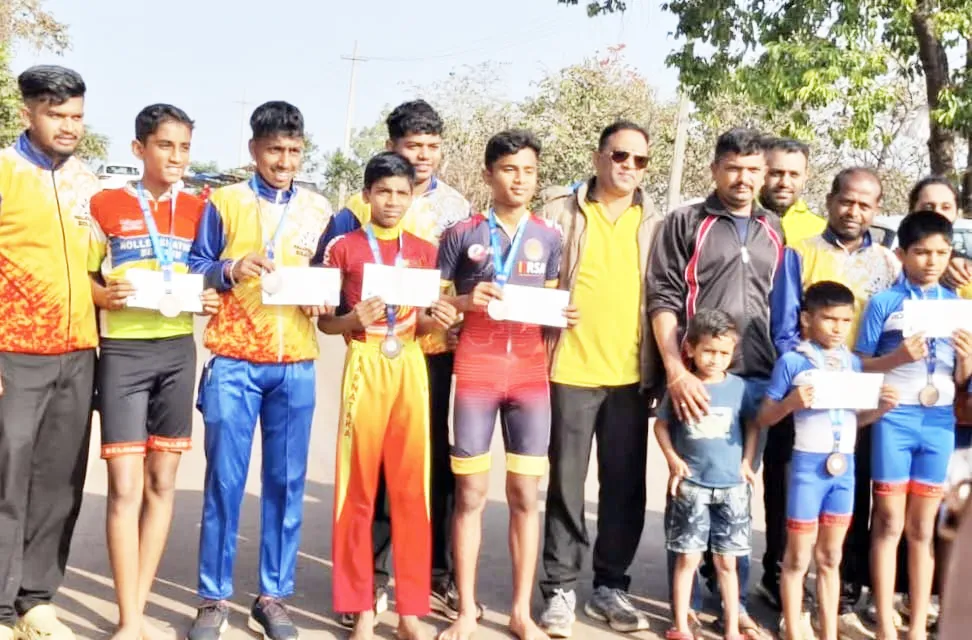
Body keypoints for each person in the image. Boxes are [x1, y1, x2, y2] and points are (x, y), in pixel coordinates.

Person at [313, 100, 471, 625]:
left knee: (412, 488)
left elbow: (426, 323)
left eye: (402, 193)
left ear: (413, 197)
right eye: (383, 191)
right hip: (364, 363)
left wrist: (442, 318)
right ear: (366, 195)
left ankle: (410, 612)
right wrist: (353, 315)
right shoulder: (345, 247)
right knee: (359, 487)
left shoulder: (426, 251)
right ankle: (359, 609)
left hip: (409, 367)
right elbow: (326, 323)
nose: (393, 201)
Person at [187, 101, 332, 640]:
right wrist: (230, 268)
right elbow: (194, 266)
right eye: (275, 150)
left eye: (294, 151)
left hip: (295, 362)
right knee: (224, 480)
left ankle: (273, 595)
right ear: (254, 150)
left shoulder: (321, 210)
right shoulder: (222, 202)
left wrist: (324, 300)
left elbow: (332, 274)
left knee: (286, 481)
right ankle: (212, 597)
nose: (285, 160)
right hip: (233, 358)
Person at [436, 130, 576, 640]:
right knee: (470, 494)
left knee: (525, 495)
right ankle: (466, 612)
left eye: (529, 171)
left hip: (530, 379)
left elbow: (553, 306)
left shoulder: (549, 236)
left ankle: (520, 612)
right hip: (475, 370)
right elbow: (432, 309)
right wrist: (460, 304)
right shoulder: (461, 233)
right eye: (510, 170)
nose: (520, 180)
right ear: (488, 174)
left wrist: (565, 316)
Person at [87, 104, 219, 640]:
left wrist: (209, 295)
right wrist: (102, 293)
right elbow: (84, 278)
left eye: (185, 147)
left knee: (163, 481)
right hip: (123, 353)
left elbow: (210, 269)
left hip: (176, 352)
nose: (176, 157)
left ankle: (137, 608)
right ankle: (128, 619)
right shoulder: (105, 203)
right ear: (139, 149)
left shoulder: (200, 208)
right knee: (124, 486)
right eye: (166, 146)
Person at [648, 127, 783, 640]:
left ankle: (735, 604)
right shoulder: (687, 222)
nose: (744, 178)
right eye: (734, 168)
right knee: (688, 486)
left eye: (753, 169)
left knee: (735, 490)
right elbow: (661, 298)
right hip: (696, 378)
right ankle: (683, 610)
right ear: (715, 169)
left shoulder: (773, 227)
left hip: (752, 379)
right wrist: (676, 370)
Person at [536, 120, 662, 638]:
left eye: (639, 160)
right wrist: (548, 311)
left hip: (631, 376)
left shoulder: (658, 222)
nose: (628, 167)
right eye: (619, 156)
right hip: (568, 369)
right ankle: (560, 588)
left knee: (625, 487)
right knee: (566, 485)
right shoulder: (557, 213)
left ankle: (611, 585)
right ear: (597, 156)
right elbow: (527, 281)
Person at [769, 167, 900, 636]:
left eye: (866, 204)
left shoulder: (888, 263)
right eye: (847, 201)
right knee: (793, 500)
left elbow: (892, 330)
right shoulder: (800, 252)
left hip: (858, 395)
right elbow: (784, 326)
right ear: (830, 200)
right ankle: (789, 601)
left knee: (848, 498)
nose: (855, 211)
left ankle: (838, 599)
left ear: (877, 209)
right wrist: (807, 377)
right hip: (808, 394)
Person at [0, 65, 101, 640]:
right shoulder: (5, 171)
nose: (68, 126)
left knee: (60, 482)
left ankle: (35, 601)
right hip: (14, 350)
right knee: (6, 481)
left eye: (76, 116)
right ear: (27, 114)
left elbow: (97, 266)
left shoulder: (90, 183)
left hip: (77, 350)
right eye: (56, 114)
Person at [758, 281, 897, 640]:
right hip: (807, 468)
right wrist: (790, 404)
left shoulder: (852, 362)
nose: (837, 327)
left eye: (845, 320)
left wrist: (879, 409)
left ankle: (829, 632)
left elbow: (855, 419)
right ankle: (793, 628)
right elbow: (763, 418)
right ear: (806, 318)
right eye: (829, 319)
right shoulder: (792, 361)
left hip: (843, 469)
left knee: (832, 557)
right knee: (797, 558)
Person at [855, 211, 972, 640]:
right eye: (921, 252)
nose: (931, 261)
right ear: (902, 254)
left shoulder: (958, 306)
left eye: (941, 253)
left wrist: (966, 359)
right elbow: (861, 364)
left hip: (938, 421)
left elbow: (961, 381)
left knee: (924, 528)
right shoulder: (884, 303)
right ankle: (885, 622)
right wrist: (896, 360)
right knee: (889, 522)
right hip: (894, 418)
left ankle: (919, 624)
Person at [654, 309, 759, 640]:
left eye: (724, 353)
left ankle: (731, 628)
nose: (715, 359)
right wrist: (673, 460)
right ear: (690, 350)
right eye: (709, 351)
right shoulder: (682, 386)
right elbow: (661, 425)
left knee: (727, 563)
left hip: (732, 488)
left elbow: (753, 424)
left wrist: (747, 462)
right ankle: (682, 626)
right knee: (687, 558)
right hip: (693, 487)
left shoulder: (740, 388)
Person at [756, 137, 825, 615]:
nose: (783, 182)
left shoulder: (815, 233)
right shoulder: (738, 220)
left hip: (795, 377)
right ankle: (719, 575)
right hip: (736, 367)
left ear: (805, 178)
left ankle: (783, 576)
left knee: (789, 478)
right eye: (775, 172)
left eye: (792, 174)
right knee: (725, 476)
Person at [760, 137, 826, 245]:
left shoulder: (821, 233)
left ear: (806, 176)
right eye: (776, 173)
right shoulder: (738, 220)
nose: (785, 183)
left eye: (794, 175)